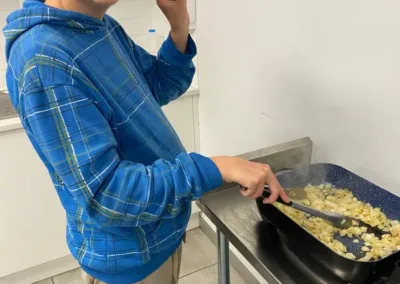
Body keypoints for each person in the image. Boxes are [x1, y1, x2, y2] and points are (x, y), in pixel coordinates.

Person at [3, 0, 289, 283]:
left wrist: (179, 25)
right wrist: (215, 168)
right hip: (127, 256)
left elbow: (157, 85)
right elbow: (107, 194)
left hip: (158, 230)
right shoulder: (43, 60)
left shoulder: (101, 26)